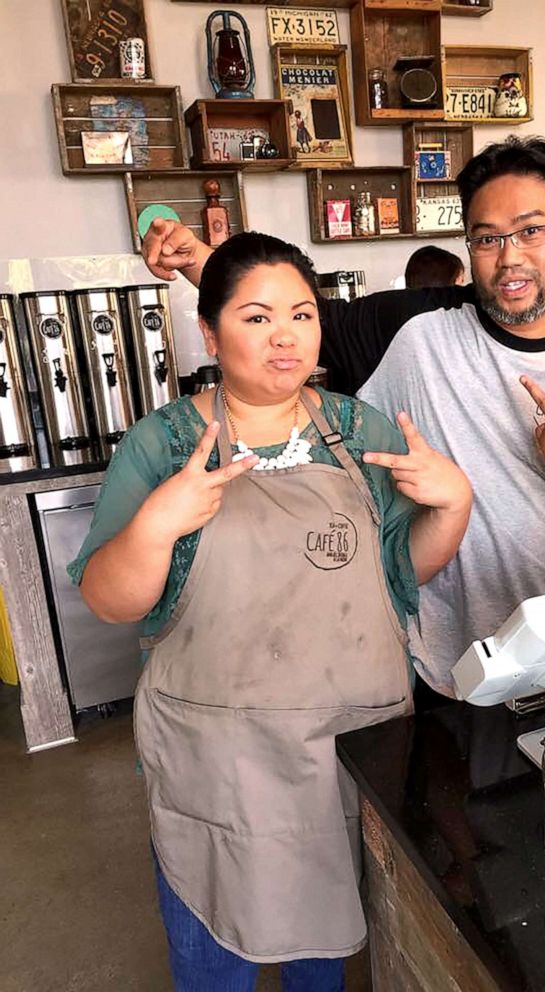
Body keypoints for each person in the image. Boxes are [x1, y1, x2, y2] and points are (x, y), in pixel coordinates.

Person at [68, 232, 472, 991]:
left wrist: (454, 506)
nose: (285, 336)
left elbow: (397, 573)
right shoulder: (164, 444)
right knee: (211, 951)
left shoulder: (363, 433)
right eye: (255, 317)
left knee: (321, 954)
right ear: (210, 331)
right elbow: (109, 599)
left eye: (303, 314)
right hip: (215, 756)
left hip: (346, 744)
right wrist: (158, 522)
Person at [142, 136, 545, 699]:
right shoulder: (417, 327)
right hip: (413, 653)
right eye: (487, 237)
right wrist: (197, 256)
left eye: (532, 230)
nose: (509, 255)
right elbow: (295, 319)